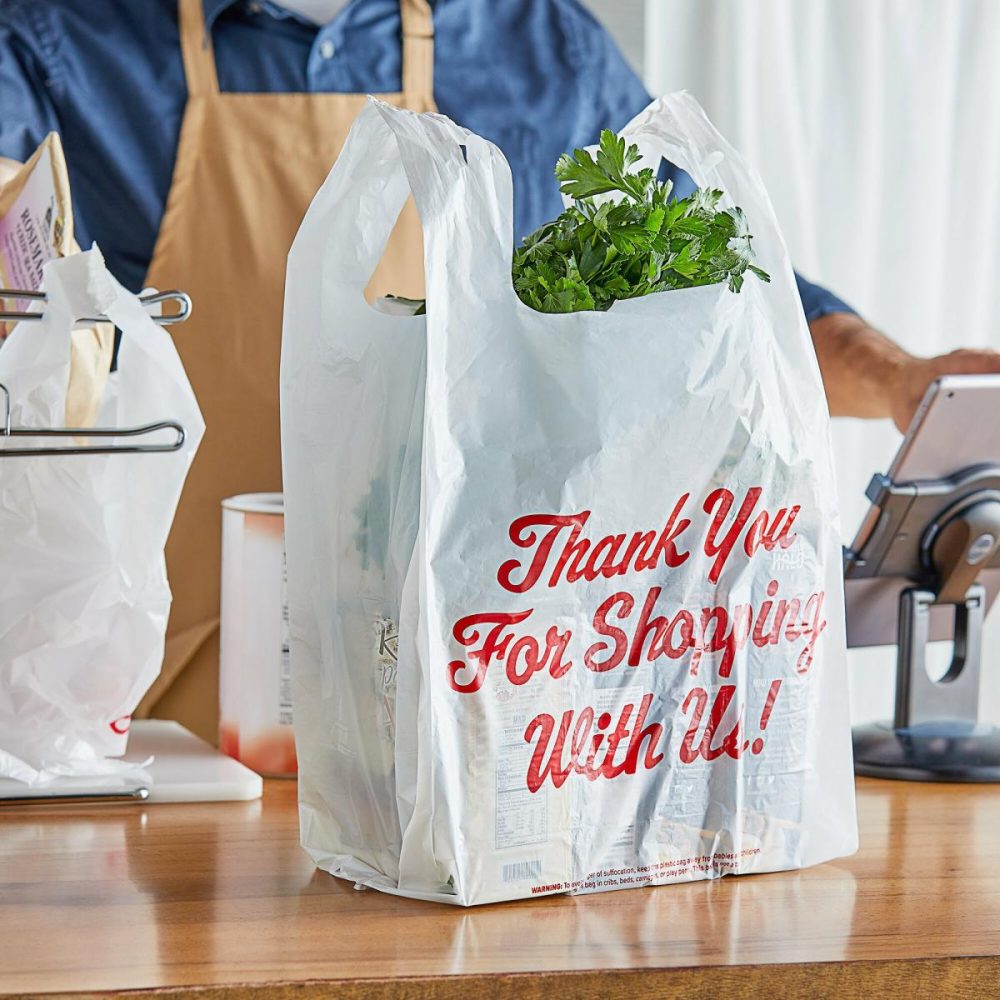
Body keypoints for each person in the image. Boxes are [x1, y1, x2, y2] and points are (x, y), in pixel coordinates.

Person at [3, 0, 998, 741]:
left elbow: (716, 291)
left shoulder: (532, 39)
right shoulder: (56, 35)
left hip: (479, 715)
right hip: (168, 723)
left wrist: (911, 381)